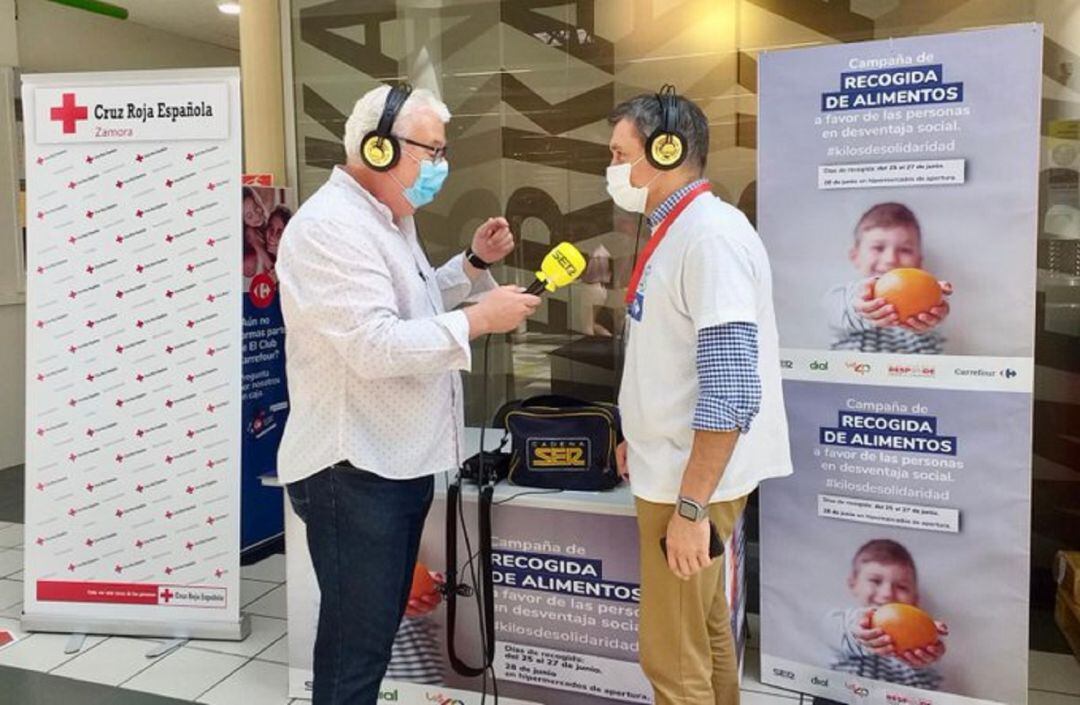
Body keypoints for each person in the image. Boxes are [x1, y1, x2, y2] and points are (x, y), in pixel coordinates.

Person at [275, 83, 541, 705]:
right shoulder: (330, 228)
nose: (441, 167)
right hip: (352, 470)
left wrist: (472, 266)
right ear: (378, 145)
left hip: (391, 461)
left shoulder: (390, 219)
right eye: (433, 151)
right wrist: (478, 320)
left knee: (375, 628)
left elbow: (413, 306)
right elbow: (374, 344)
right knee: (357, 646)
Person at [610, 88, 793, 705]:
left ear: (667, 150)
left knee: (672, 658)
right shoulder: (679, 230)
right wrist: (634, 436)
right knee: (707, 630)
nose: (611, 170)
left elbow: (731, 388)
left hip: (688, 487)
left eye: (619, 154)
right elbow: (670, 358)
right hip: (674, 470)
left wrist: (690, 510)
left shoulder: (709, 238)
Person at [825, 203, 952, 354]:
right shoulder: (841, 296)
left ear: (919, 262)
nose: (890, 259)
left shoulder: (928, 303)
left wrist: (934, 303)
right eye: (878, 248)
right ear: (855, 257)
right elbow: (840, 310)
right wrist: (862, 306)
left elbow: (938, 328)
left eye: (905, 250)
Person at [823, 539, 948, 691]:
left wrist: (930, 649)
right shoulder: (841, 620)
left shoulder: (921, 644)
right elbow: (840, 631)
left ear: (915, 600)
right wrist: (861, 631)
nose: (887, 594)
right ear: (853, 584)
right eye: (875, 581)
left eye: (902, 587)